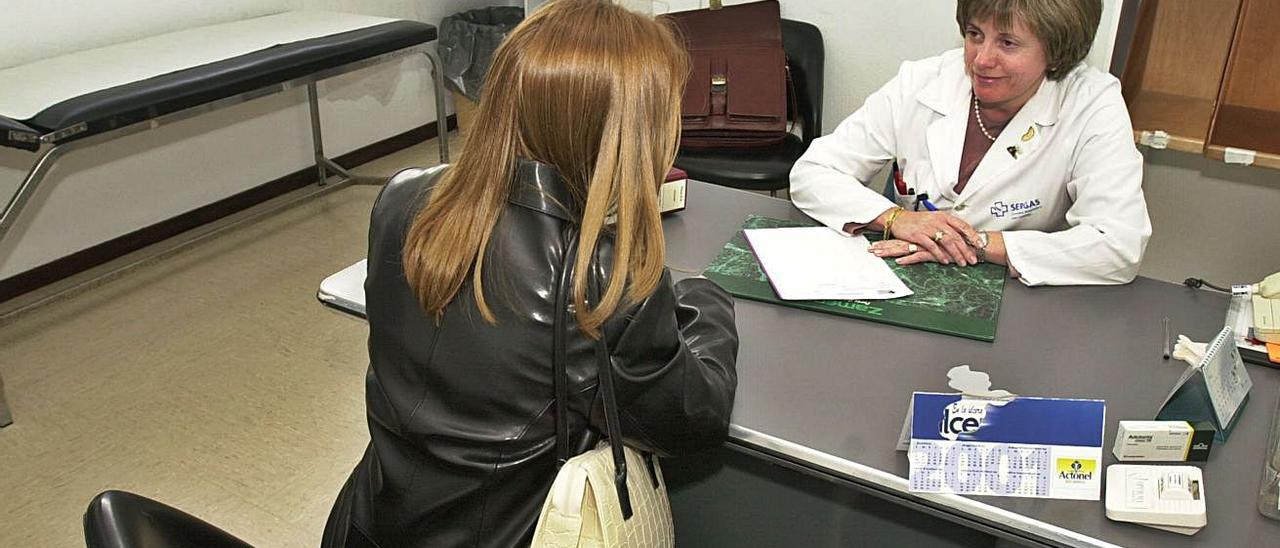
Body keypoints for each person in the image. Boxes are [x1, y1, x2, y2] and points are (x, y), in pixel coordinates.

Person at [321, 1, 739, 546]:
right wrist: (710, 302)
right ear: (625, 131)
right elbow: (692, 420)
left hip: (368, 525)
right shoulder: (601, 275)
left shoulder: (402, 197)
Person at [791, 0, 1151, 286]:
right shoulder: (923, 80)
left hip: (1011, 293)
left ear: (1056, 52)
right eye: (975, 34)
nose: (981, 60)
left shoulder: (1091, 104)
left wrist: (975, 243)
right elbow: (813, 173)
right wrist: (898, 218)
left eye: (1007, 43)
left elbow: (1119, 245)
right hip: (894, 277)